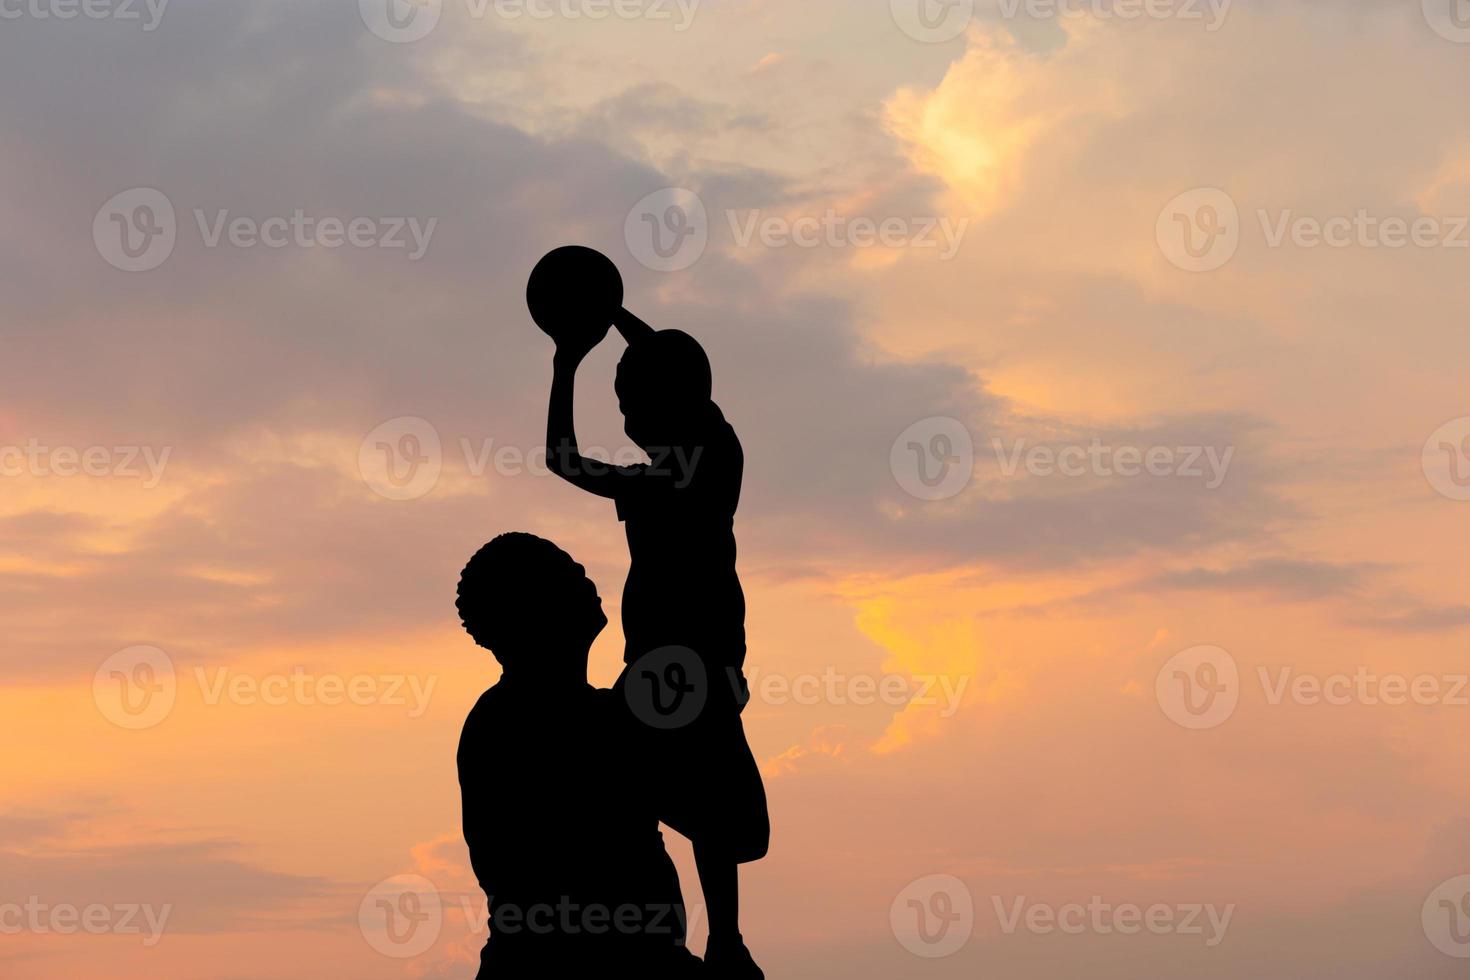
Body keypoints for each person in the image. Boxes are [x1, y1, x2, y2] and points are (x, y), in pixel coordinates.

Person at [546, 321, 770, 979]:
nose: (626, 417)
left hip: (677, 663)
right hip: (675, 660)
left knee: (676, 794)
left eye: (630, 403)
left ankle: (708, 937)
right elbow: (688, 378)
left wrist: (566, 365)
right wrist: (617, 316)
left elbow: (563, 458)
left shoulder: (679, 473)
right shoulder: (716, 456)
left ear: (667, 400)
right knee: (698, 799)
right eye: (620, 404)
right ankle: (714, 937)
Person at [456, 532, 702, 978]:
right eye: (564, 571)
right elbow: (731, 824)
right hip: (588, 963)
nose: (584, 575)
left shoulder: (527, 714)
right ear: (531, 612)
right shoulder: (556, 719)